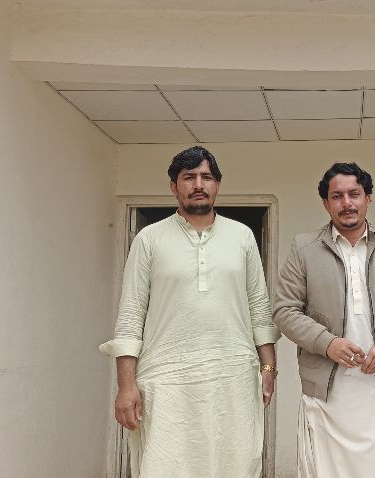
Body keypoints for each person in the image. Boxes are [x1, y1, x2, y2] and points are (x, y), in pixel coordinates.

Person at [99, 146, 279, 478]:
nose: (198, 184)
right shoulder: (149, 239)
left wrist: (268, 367)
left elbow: (259, 306)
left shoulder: (242, 237)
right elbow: (131, 315)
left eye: (206, 177)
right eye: (189, 177)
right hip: (167, 380)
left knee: (234, 461)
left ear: (217, 185)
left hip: (232, 377)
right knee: (165, 464)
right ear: (173, 186)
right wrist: (126, 386)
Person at [273, 162, 375, 478]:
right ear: (325, 203)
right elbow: (284, 310)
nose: (346, 203)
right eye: (337, 196)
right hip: (327, 388)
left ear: (368, 198)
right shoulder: (304, 248)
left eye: (354, 194)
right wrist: (328, 343)